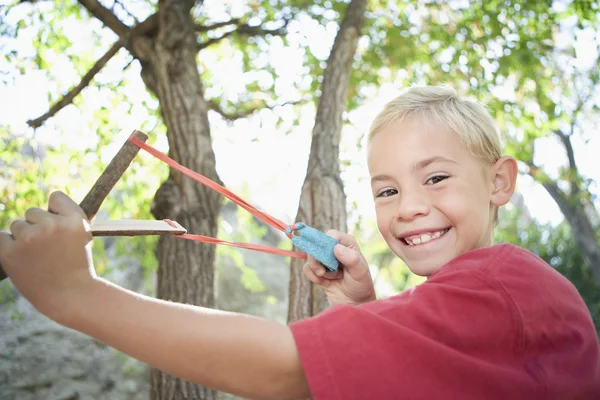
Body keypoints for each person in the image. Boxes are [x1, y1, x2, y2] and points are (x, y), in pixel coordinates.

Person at [0, 85, 598, 400]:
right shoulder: (487, 303)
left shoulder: (504, 283)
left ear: (500, 182)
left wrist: (76, 295)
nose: (409, 205)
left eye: (435, 177)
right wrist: (364, 311)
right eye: (385, 190)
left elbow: (287, 368)